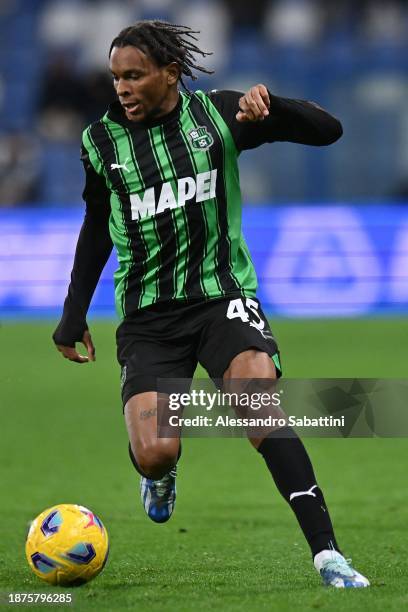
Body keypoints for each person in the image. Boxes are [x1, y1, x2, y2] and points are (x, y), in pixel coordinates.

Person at [53, 20, 369, 588]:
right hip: (150, 317)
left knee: (258, 407)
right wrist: (73, 314)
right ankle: (160, 474)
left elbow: (331, 130)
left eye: (134, 75)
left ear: (170, 74)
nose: (121, 87)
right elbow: (97, 227)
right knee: (154, 451)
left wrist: (274, 107)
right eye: (115, 77)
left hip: (222, 297)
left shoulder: (218, 115)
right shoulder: (101, 141)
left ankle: (329, 555)